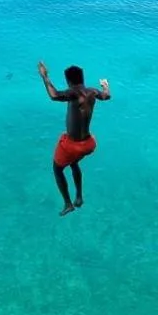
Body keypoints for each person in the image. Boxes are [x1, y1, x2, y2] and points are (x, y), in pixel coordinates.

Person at [37, 61, 111, 216]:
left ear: (69, 81)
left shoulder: (73, 93)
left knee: (57, 170)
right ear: (83, 78)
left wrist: (44, 76)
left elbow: (54, 95)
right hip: (89, 143)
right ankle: (79, 197)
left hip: (73, 145)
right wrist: (105, 85)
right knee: (74, 162)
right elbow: (107, 96)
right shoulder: (92, 91)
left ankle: (68, 204)